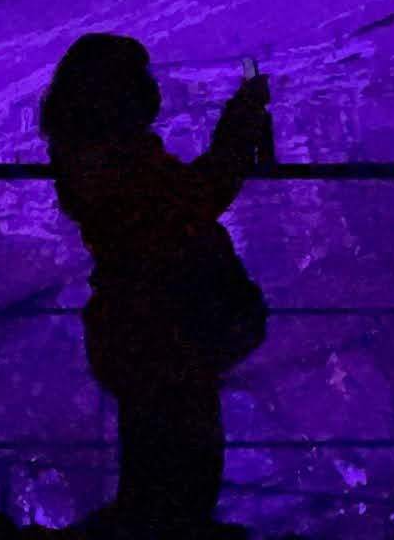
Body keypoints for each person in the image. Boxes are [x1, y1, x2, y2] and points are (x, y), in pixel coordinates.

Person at [40, 33, 274, 537]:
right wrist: (242, 121)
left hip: (140, 328)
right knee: (184, 468)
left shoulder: (85, 153)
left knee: (155, 466)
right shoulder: (114, 162)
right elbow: (195, 197)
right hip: (166, 327)